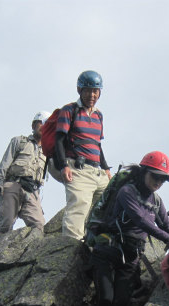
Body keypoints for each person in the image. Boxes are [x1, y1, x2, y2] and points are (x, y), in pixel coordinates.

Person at [87, 151, 169, 306]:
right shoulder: (127, 191)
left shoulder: (156, 200)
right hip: (107, 250)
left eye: (162, 178)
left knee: (122, 300)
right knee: (106, 298)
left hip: (132, 255)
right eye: (155, 176)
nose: (159, 182)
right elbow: (141, 221)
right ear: (144, 172)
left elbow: (166, 224)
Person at [53, 70, 112, 240]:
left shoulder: (99, 115)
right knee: (78, 209)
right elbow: (59, 140)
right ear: (79, 90)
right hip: (77, 168)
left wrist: (106, 168)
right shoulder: (69, 110)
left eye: (95, 91)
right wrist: (63, 165)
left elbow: (97, 145)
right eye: (87, 90)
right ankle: (68, 253)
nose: (92, 95)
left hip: (97, 171)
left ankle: (97, 244)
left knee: (109, 204)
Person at [0, 111, 51, 249]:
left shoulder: (48, 152)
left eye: (47, 125)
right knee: (6, 223)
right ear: (34, 125)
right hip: (13, 185)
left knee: (38, 224)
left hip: (32, 192)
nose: (43, 127)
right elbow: (5, 163)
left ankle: (28, 256)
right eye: (41, 123)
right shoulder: (19, 141)